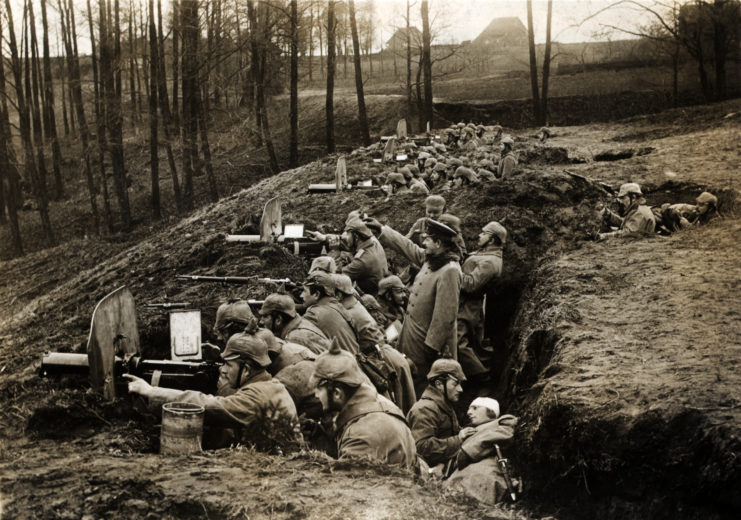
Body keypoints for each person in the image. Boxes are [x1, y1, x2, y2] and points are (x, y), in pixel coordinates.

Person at [124, 331, 301, 451]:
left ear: (246, 369)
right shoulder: (269, 385)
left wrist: (151, 391)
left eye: (228, 364)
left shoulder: (256, 397)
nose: (222, 370)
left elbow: (208, 405)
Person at [366, 217, 462, 396]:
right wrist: (383, 230)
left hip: (425, 342)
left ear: (438, 243)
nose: (423, 242)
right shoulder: (432, 259)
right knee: (409, 377)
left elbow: (445, 316)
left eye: (427, 239)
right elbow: (409, 248)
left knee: (422, 383)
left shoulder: (450, 270)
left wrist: (431, 348)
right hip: (412, 335)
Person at [311, 341, 417, 467]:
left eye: (318, 389)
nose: (316, 395)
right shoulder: (381, 403)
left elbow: (345, 483)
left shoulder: (360, 437)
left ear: (337, 393)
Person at [333, 274, 417, 414]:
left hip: (384, 358)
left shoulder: (350, 311)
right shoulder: (358, 305)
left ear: (338, 295)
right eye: (399, 291)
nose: (402, 295)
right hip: (389, 355)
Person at [444, 397, 519, 505]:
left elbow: (505, 433)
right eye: (469, 409)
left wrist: (469, 450)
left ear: (491, 411)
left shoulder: (503, 421)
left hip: (488, 468)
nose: (469, 412)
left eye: (475, 408)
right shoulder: (469, 430)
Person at [458, 222, 506, 375]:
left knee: (459, 342)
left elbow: (471, 285)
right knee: (475, 343)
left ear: (492, 239)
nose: (479, 235)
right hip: (469, 304)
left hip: (468, 305)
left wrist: (452, 272)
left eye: (484, 233)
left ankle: (481, 375)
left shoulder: (490, 262)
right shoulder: (485, 254)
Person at [406, 359, 475, 467]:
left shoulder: (444, 404)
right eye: (455, 384)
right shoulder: (425, 409)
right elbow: (421, 447)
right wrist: (458, 439)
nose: (460, 389)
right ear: (439, 384)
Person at [308, 215, 388, 295]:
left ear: (356, 236)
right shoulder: (370, 240)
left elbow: (336, 278)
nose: (345, 237)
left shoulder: (362, 261)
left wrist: (332, 254)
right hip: (377, 285)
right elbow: (345, 241)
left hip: (369, 296)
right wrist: (324, 238)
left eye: (348, 234)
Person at [301, 271, 360, 354]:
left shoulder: (314, 314)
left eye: (304, 291)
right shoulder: (338, 306)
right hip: (352, 361)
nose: (301, 295)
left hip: (338, 363)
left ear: (317, 294)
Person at [258, 293, 330, 354]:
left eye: (265, 316)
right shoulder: (300, 323)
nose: (261, 321)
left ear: (278, 320)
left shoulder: (294, 339)